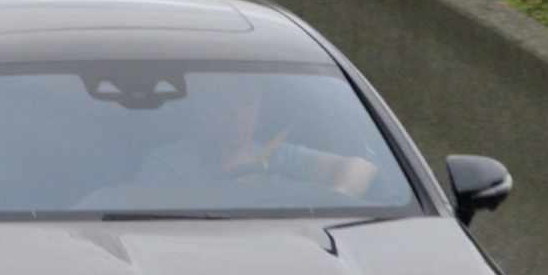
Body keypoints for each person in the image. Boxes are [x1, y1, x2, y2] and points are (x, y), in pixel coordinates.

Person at [138, 72, 377, 199]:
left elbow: (361, 168)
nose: (237, 117)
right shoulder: (167, 164)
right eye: (223, 106)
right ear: (201, 112)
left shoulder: (278, 155)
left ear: (259, 109)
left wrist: (338, 197)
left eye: (247, 104)